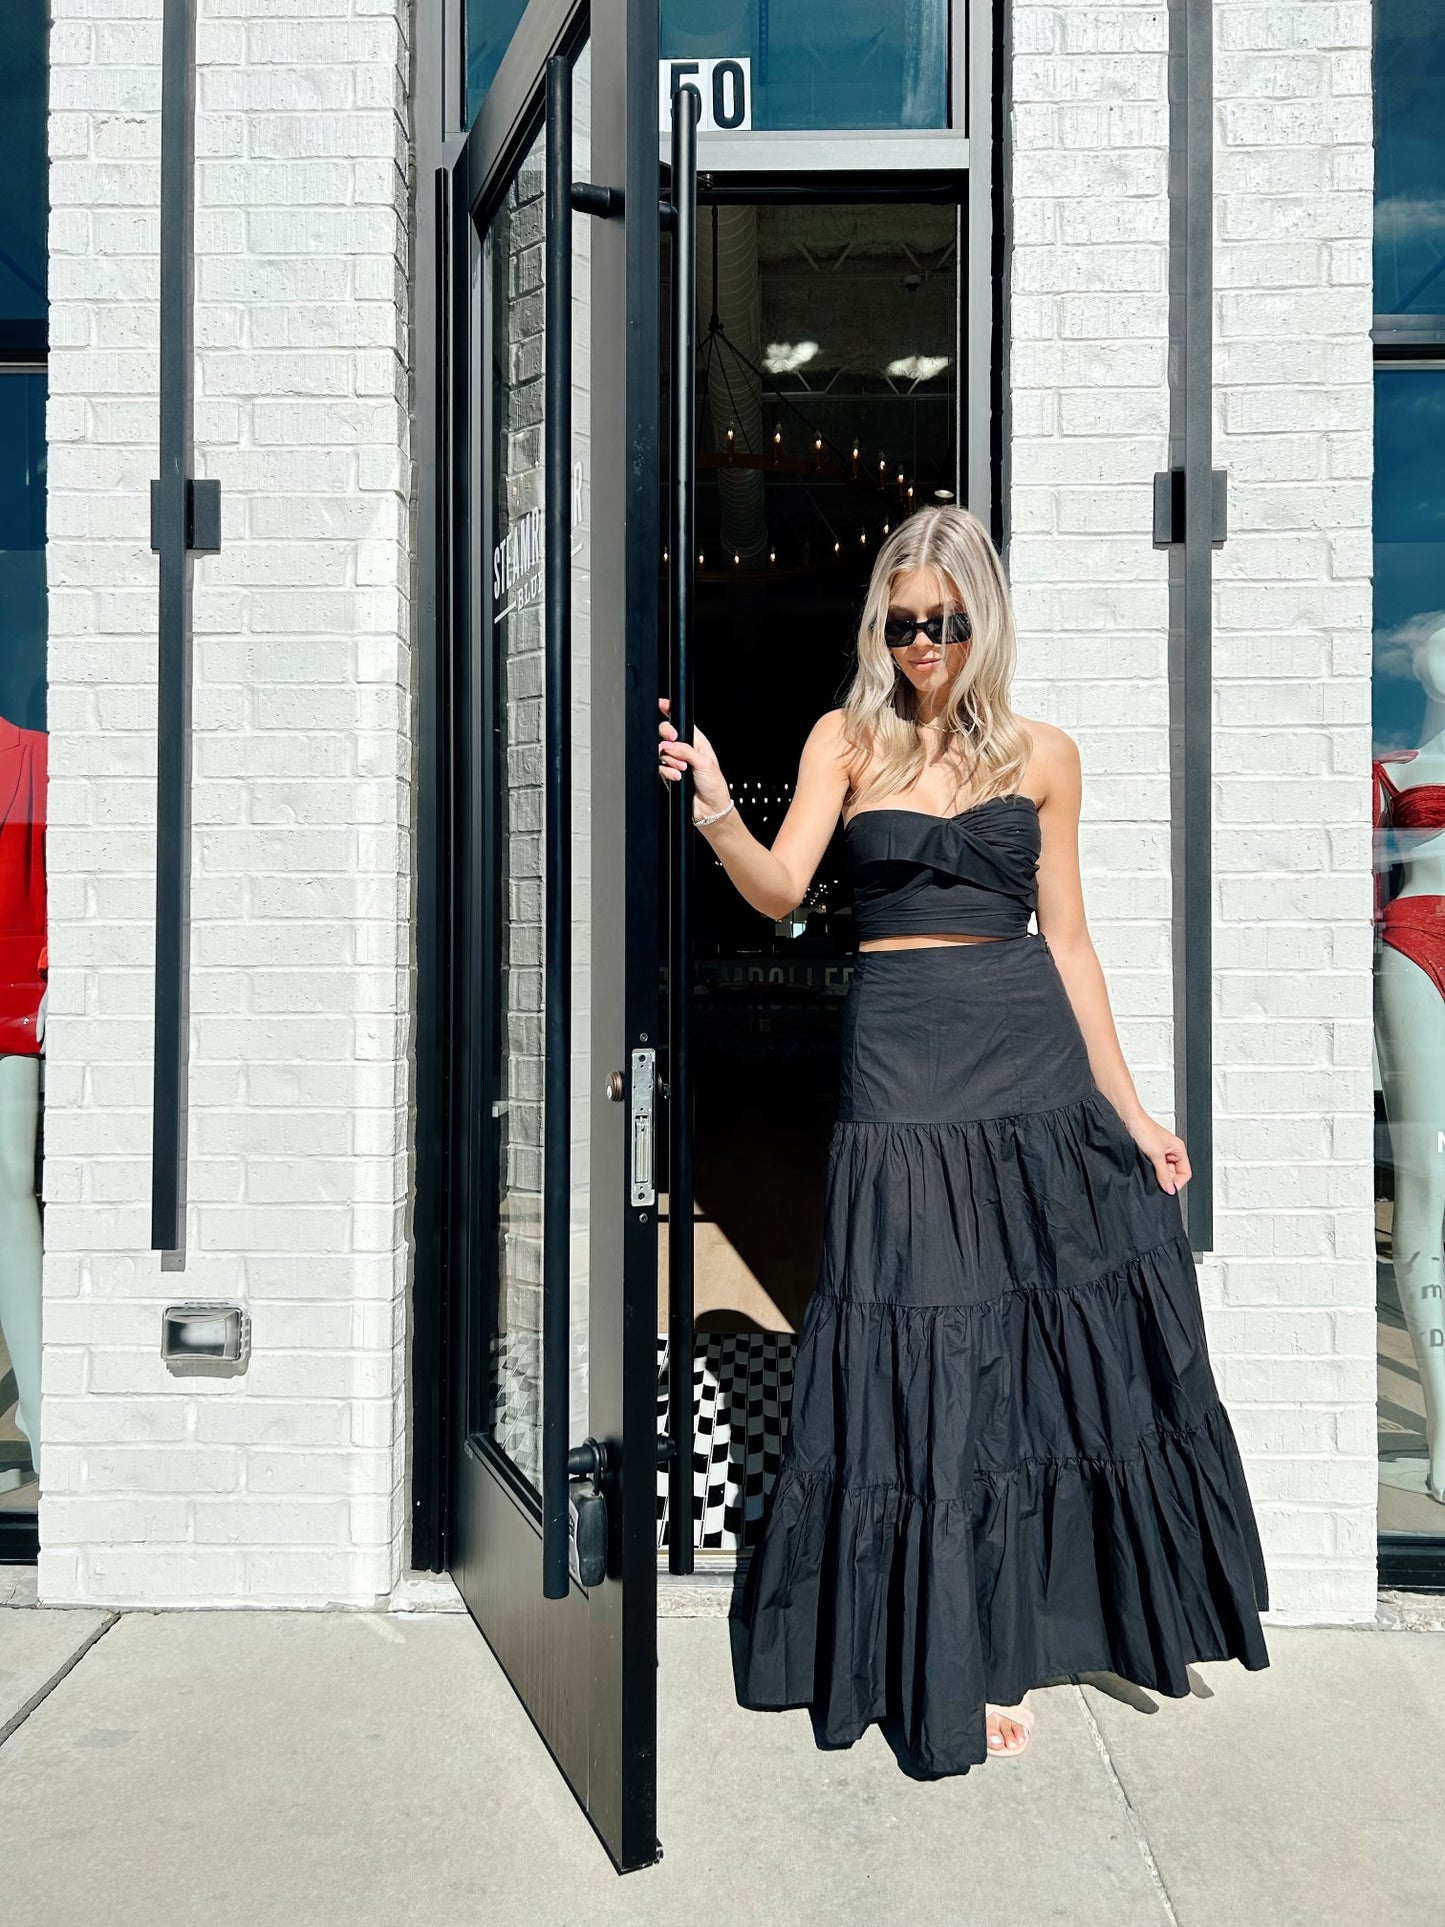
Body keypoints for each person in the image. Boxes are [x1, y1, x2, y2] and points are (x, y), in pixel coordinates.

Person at [656, 503, 1270, 1775]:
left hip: (1025, 1049)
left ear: (977, 620)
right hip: (899, 1056)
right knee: (923, 1327)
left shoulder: (1044, 755)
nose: (920, 639)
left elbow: (1072, 941)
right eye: (900, 619)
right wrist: (717, 807)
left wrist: (1130, 1106)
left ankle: (1017, 1625)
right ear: (879, 624)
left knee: (1024, 1334)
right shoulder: (843, 738)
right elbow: (779, 891)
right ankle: (940, 1635)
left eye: (939, 619)